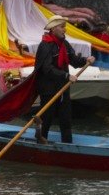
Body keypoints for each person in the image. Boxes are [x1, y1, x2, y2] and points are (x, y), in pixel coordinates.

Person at [32, 15, 90, 145]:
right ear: (53, 28)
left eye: (65, 27)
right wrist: (65, 76)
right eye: (62, 27)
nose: (65, 29)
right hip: (48, 89)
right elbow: (46, 69)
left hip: (63, 88)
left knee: (66, 121)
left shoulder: (64, 43)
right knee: (46, 120)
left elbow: (74, 60)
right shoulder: (45, 45)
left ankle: (68, 147)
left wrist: (86, 60)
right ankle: (40, 144)